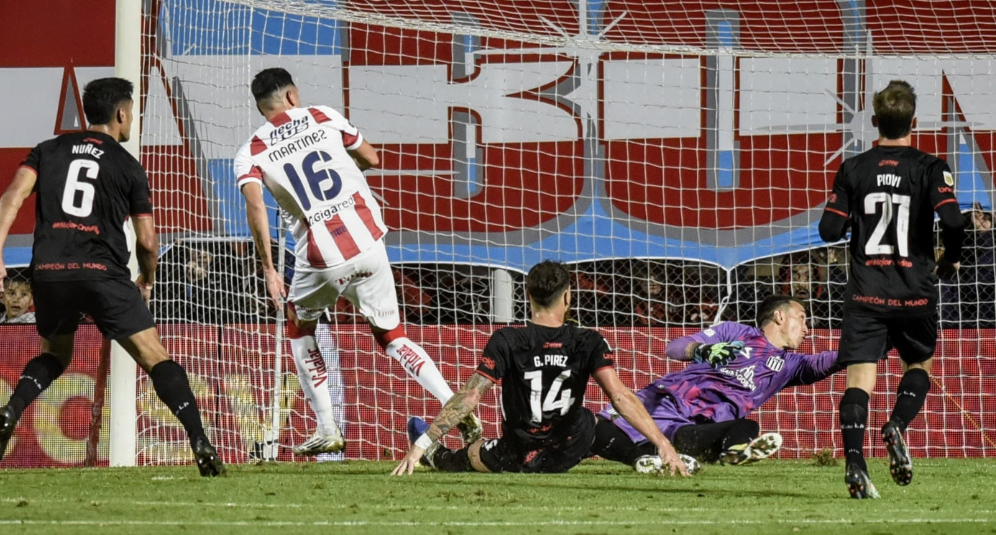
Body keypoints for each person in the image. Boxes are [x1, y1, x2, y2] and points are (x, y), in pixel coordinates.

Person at [0, 78, 224, 475]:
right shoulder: (128, 165)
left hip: (50, 271)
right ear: (121, 113)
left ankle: (11, 410)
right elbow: (147, 241)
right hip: (104, 273)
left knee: (55, 354)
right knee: (154, 357)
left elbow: (12, 196)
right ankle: (199, 438)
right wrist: (146, 279)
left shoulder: (47, 150)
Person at [235, 68, 479, 457]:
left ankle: (327, 426)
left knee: (300, 327)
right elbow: (371, 157)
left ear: (262, 108)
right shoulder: (324, 116)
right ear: (294, 96)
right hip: (368, 241)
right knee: (393, 335)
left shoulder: (251, 151)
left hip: (321, 258)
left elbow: (254, 206)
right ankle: (454, 402)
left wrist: (268, 268)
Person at [392, 260, 691, 477]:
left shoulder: (507, 339)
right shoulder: (588, 340)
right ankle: (647, 456)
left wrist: (423, 442)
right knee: (589, 421)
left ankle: (436, 455)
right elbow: (620, 397)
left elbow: (470, 397)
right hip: (569, 449)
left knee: (471, 454)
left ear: (528, 296)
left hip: (520, 455)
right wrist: (663, 441)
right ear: (567, 297)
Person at [818, 79, 966, 498]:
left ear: (873, 121)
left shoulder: (854, 168)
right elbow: (954, 221)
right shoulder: (930, 167)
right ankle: (897, 425)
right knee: (919, 367)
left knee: (859, 380)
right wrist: (950, 259)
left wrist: (852, 220)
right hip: (913, 293)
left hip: (865, 293)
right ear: (914, 122)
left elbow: (828, 230)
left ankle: (855, 463)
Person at [591, 295, 839, 469]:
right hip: (660, 406)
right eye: (802, 317)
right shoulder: (735, 332)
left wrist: (868, 346)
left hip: (689, 429)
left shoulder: (791, 365)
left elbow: (831, 360)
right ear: (780, 317)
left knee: (744, 428)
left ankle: (733, 454)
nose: (808, 327)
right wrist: (702, 350)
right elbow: (674, 348)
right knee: (590, 432)